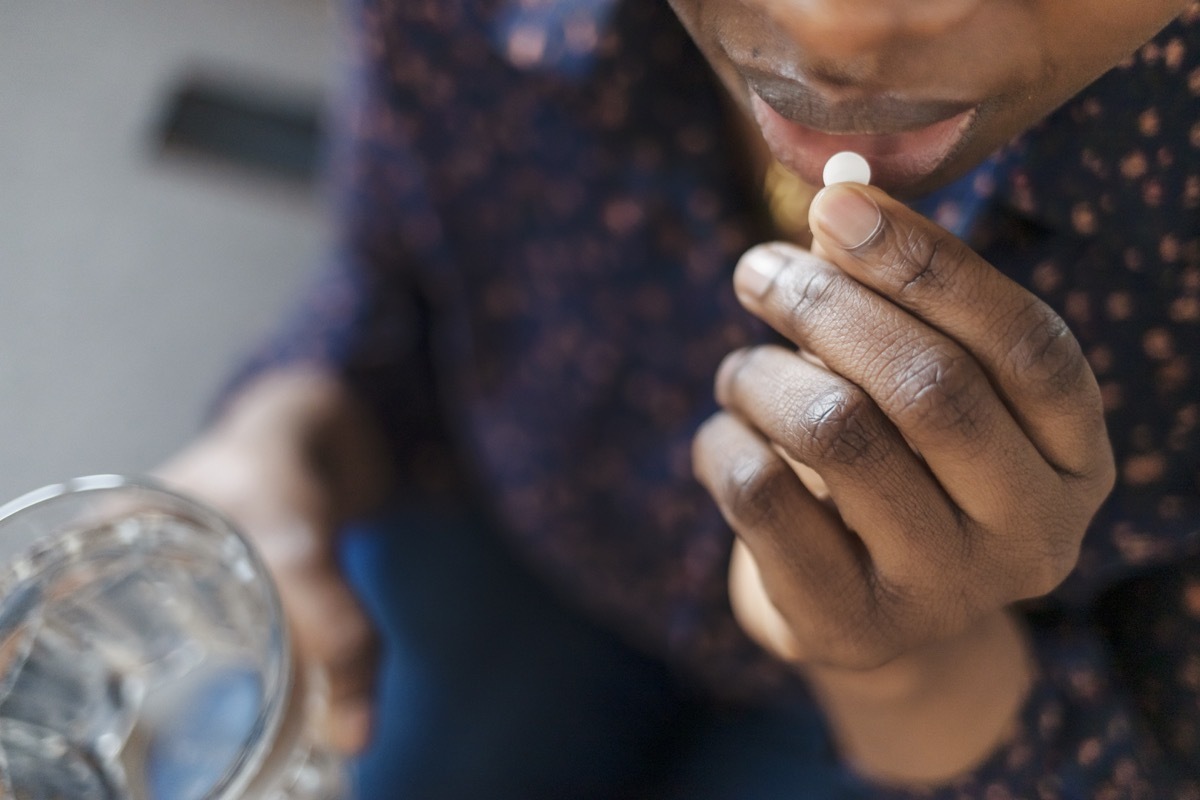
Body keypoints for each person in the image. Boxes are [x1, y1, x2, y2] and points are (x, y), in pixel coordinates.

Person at [159, 0, 1200, 796]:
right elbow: (404, 261)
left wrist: (912, 669)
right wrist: (293, 421)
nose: (840, 21)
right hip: (520, 550)